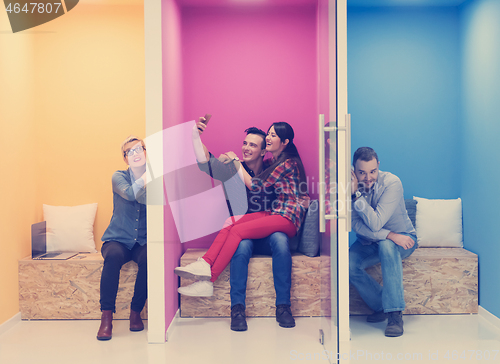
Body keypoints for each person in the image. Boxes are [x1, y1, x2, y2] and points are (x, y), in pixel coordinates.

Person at [175, 121, 308, 328]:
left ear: (264, 151)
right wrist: (195, 136)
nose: (246, 148)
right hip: (248, 232)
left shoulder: (274, 166)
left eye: (253, 145)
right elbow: (204, 161)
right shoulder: (231, 169)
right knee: (237, 234)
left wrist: (303, 199)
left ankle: (283, 307)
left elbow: (267, 186)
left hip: (273, 227)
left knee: (279, 241)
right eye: (245, 143)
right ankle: (237, 309)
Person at [349, 147, 417, 337]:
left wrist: (356, 196)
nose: (368, 178)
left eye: (372, 171)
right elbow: (356, 225)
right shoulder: (349, 185)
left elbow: (376, 222)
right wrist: (389, 234)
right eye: (362, 172)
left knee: (387, 246)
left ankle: (395, 313)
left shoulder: (392, 183)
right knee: (346, 264)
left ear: (378, 166)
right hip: (369, 242)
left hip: (403, 238)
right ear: (353, 170)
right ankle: (381, 305)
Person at [97, 136, 148, 341]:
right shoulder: (118, 176)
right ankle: (106, 317)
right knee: (113, 258)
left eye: (139, 149)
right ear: (125, 158)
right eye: (130, 151)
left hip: (142, 240)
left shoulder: (155, 179)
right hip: (117, 239)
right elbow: (130, 194)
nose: (135, 154)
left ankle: (135, 312)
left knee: (150, 259)